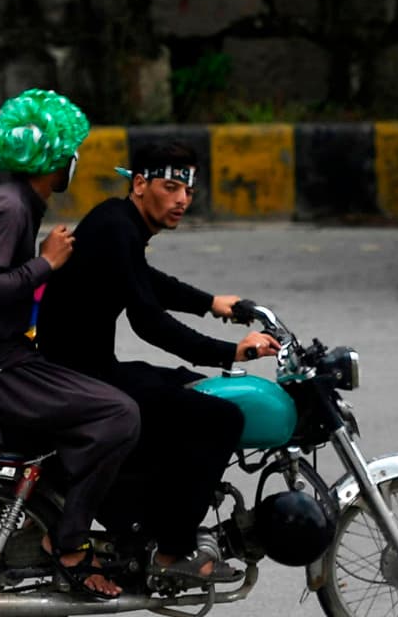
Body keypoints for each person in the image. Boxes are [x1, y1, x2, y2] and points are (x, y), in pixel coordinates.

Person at [33, 142, 279, 584]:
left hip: (84, 366)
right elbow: (149, 322)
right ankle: (173, 550)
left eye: (188, 190)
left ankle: (146, 518)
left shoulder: (117, 222)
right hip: (78, 376)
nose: (182, 199)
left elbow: (144, 280)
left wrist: (213, 303)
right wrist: (230, 352)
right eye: (171, 187)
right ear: (141, 184)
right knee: (220, 418)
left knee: (189, 386)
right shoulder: (116, 229)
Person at [0, 89, 141, 600]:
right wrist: (46, 262)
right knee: (120, 415)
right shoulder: (11, 209)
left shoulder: (6, 199)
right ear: (54, 159)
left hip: (0, 359)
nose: (73, 163)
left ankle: (51, 509)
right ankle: (69, 544)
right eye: (71, 154)